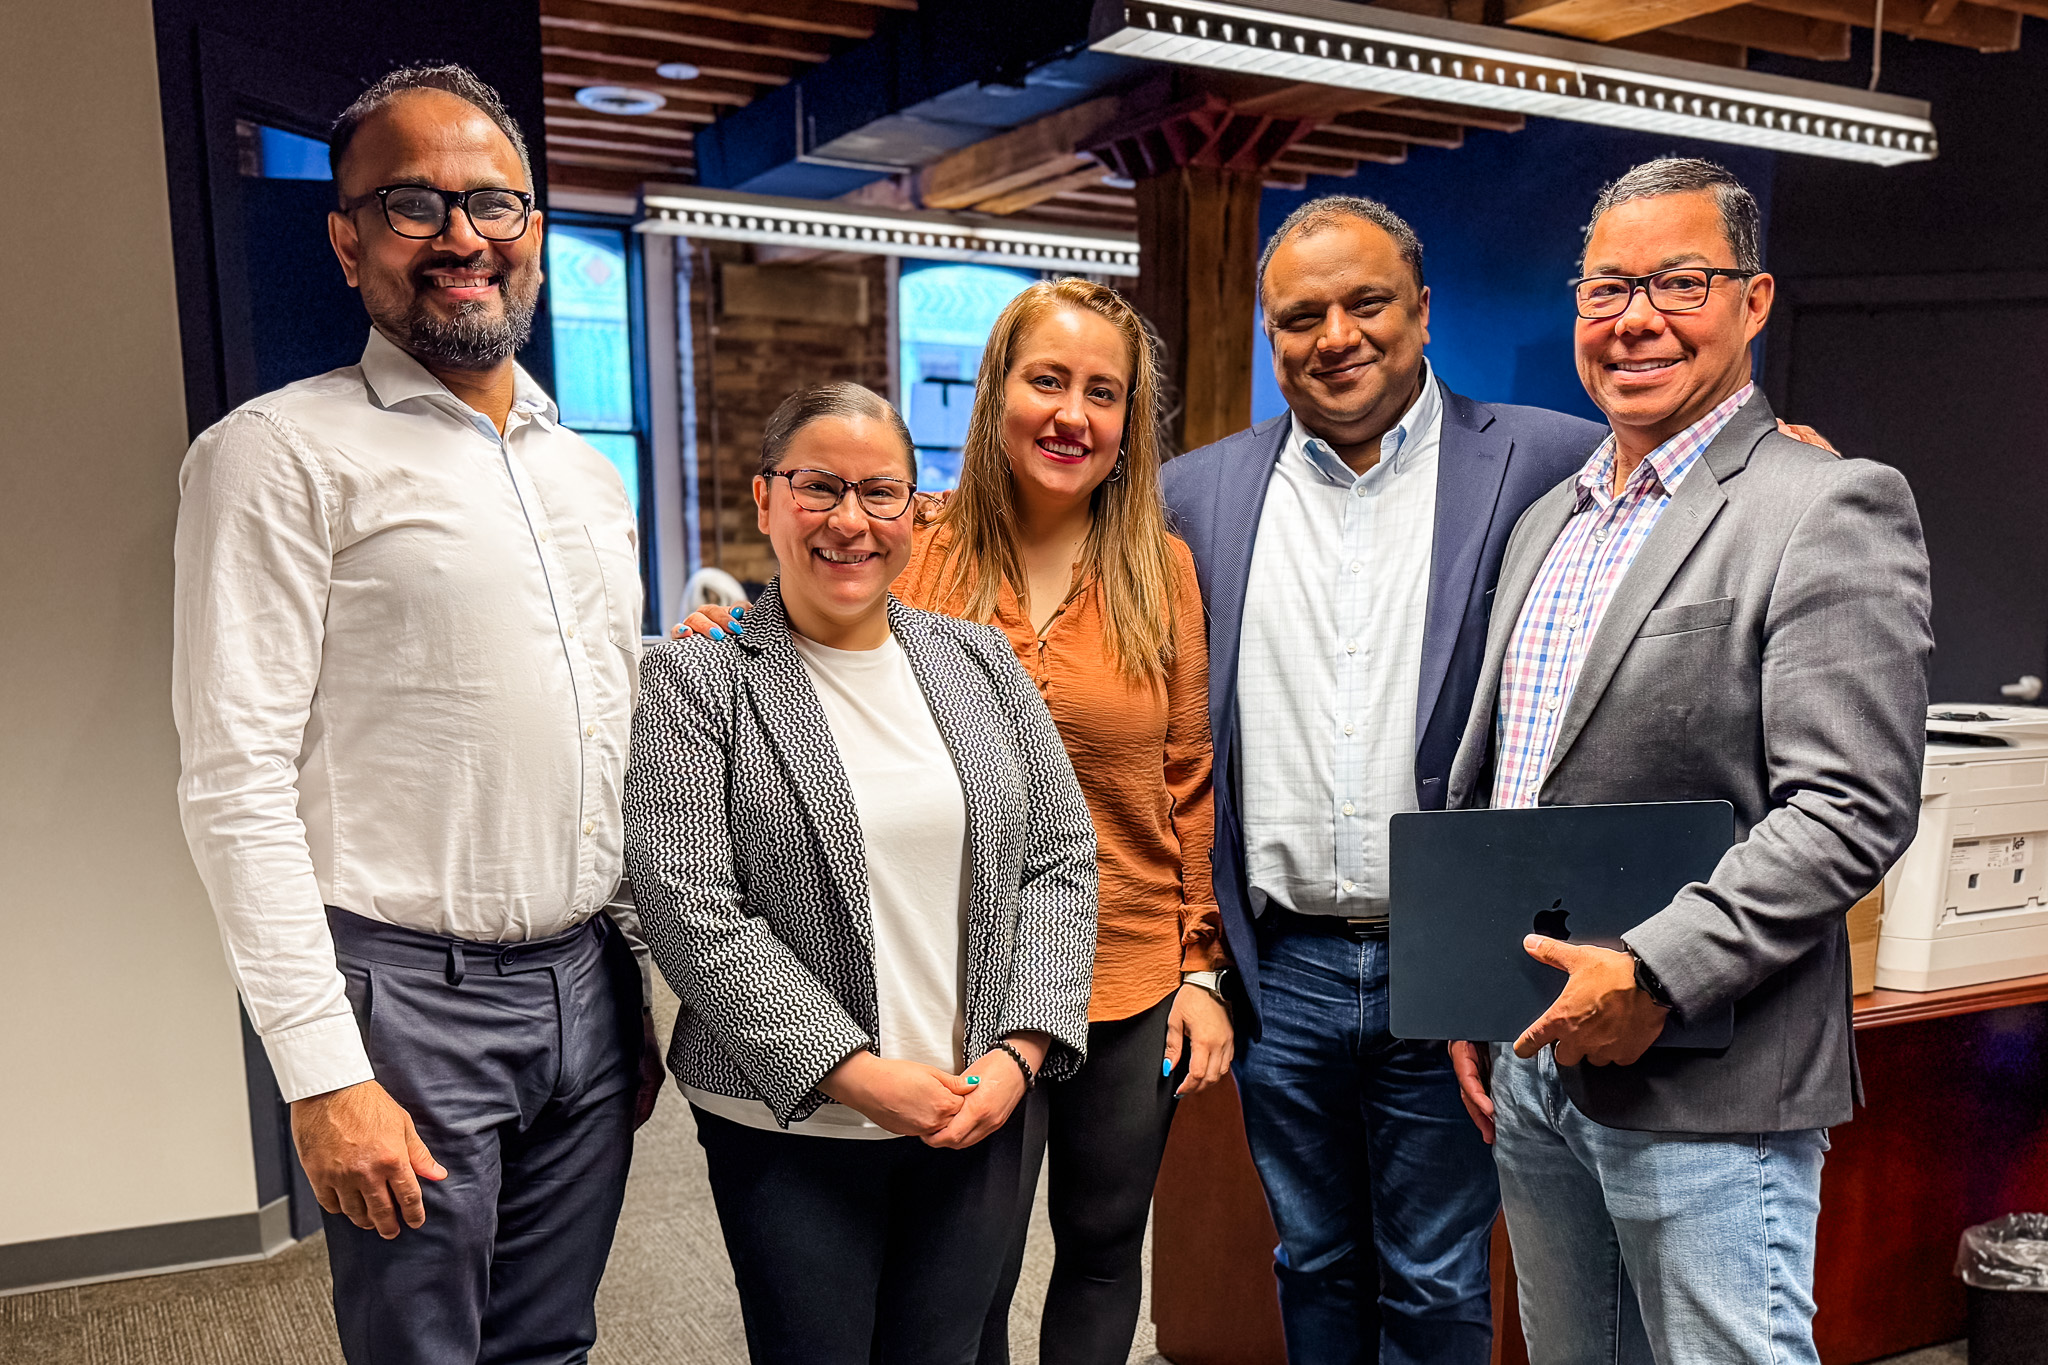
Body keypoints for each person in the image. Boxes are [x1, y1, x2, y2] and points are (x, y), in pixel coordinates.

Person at [172, 64, 664, 1365]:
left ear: (533, 227)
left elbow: (603, 735)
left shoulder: (583, 474)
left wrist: (626, 984)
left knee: (550, 1343)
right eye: (412, 204)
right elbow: (233, 780)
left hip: (585, 987)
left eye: (492, 201)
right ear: (347, 242)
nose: (461, 236)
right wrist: (323, 1072)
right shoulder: (276, 454)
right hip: (402, 1000)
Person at [680, 279, 1232, 1365]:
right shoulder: (918, 542)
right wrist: (735, 635)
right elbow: (817, 632)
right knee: (967, 1270)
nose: (1071, 413)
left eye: (1103, 392)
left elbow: (1186, 774)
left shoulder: (1158, 569)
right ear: (995, 394)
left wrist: (1200, 969)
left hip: (1125, 965)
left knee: (1102, 1243)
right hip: (960, 974)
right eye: (1046, 380)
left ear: (1129, 422)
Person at [1444, 158, 1931, 1364]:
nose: (1635, 318)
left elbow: (1847, 808)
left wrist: (1651, 973)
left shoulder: (1822, 505)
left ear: (1752, 300)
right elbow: (1515, 781)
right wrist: (1467, 987)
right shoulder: (1549, 524)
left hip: (1711, 1075)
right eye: (1606, 287)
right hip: (1537, 1063)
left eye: (1679, 281)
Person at [1157, 196, 1604, 1365]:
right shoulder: (1194, 496)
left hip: (1451, 954)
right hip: (1279, 966)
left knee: (1437, 1272)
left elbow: (1697, 481)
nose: (1335, 336)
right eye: (1300, 316)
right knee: (1310, 1257)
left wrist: (1795, 452)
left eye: (1365, 303)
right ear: (1269, 334)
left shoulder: (1549, 460)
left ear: (1420, 310)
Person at [625, 383, 1100, 1365]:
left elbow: (1059, 860)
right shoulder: (700, 679)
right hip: (786, 1123)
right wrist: (855, 1074)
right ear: (766, 498)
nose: (850, 521)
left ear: (913, 512)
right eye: (819, 487)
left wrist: (1018, 1053)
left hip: (974, 1108)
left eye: (880, 492)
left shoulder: (979, 661)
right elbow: (688, 906)